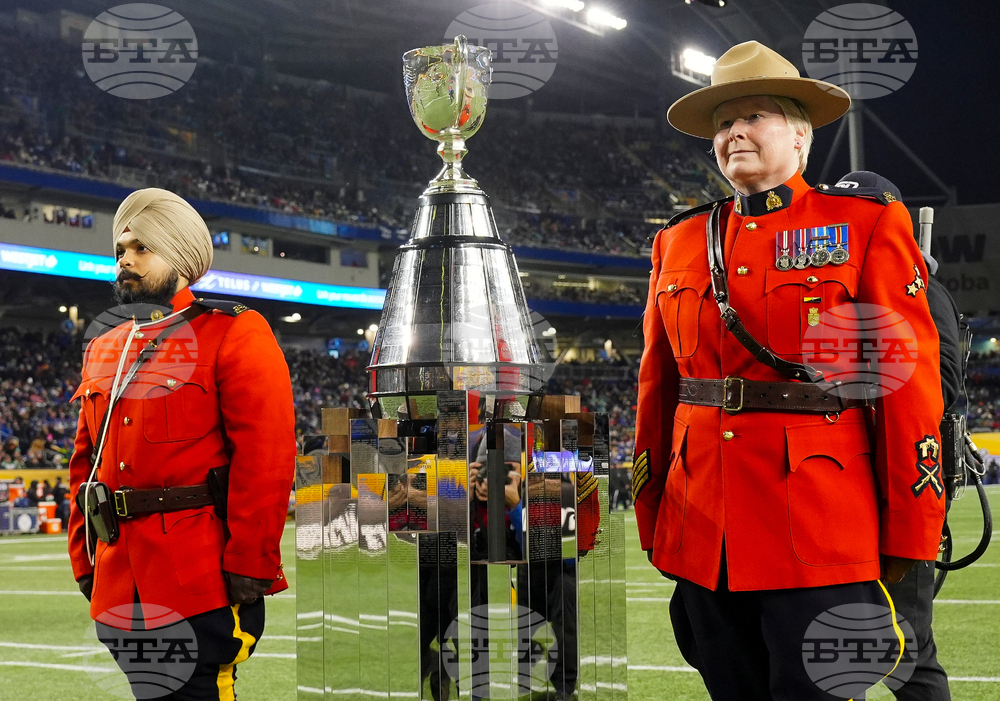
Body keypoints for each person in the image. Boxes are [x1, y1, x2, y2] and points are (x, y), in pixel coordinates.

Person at [634, 42, 946, 700]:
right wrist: (653, 508)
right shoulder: (679, 240)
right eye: (722, 123)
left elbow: (906, 387)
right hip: (705, 531)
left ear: (800, 136)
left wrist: (911, 530)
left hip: (821, 530)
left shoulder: (864, 226)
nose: (734, 133)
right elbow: (657, 386)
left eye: (754, 116)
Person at [67, 187, 296, 700]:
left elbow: (267, 459)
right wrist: (85, 560)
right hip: (118, 579)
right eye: (120, 250)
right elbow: (85, 466)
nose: (125, 260)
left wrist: (250, 565)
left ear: (180, 257)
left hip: (199, 578)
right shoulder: (104, 347)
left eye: (141, 249)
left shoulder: (233, 331)